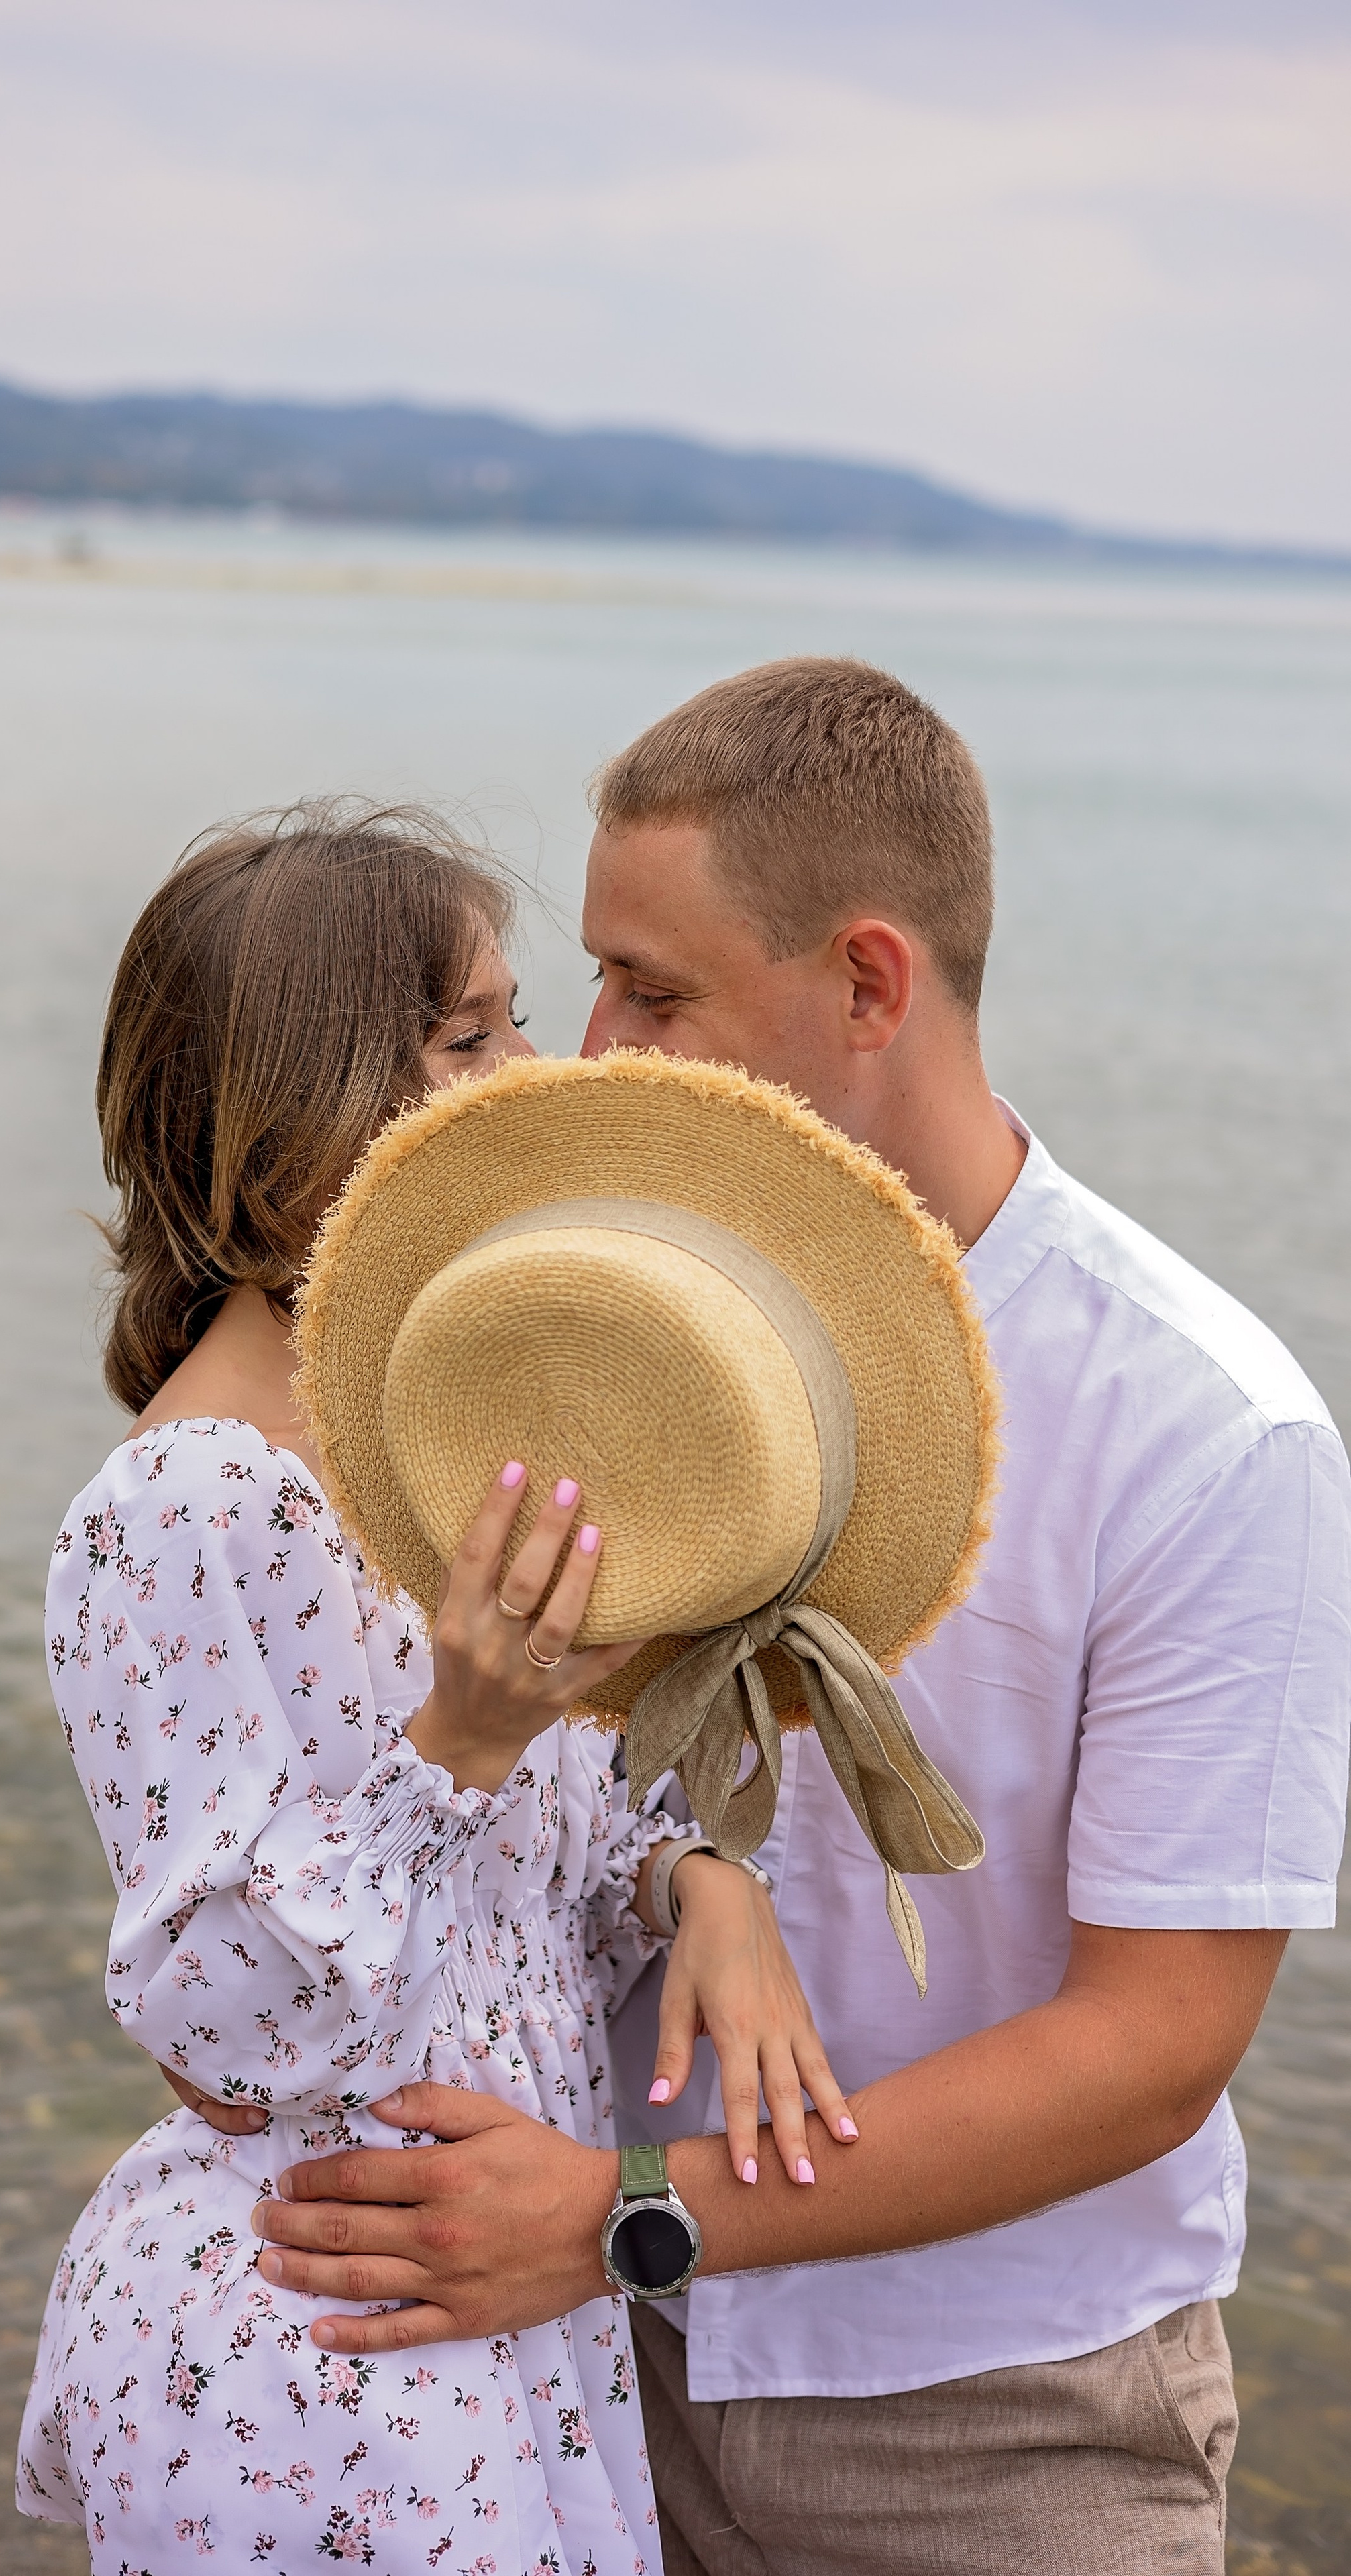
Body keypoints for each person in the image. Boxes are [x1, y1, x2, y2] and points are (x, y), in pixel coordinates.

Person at [237, 665, 1351, 2575]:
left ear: (867, 984)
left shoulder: (1207, 1429)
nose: (588, 1045)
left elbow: (1156, 2042)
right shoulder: (575, 1304)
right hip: (577, 2374)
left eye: (652, 989)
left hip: (1000, 2423)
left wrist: (621, 2207)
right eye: (589, 978)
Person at [15, 799, 855, 2574]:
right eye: (474, 1033)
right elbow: (218, 2026)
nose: (542, 1067)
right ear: (299, 1120)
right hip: (322, 2346)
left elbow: (519, 1883)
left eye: (519, 1015)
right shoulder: (188, 1504)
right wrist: (461, 1735)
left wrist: (685, 1875)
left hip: (507, 2310)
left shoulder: (440, 1447)